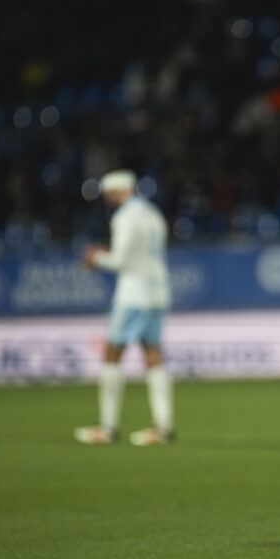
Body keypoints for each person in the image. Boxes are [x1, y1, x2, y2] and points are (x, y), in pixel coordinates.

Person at [74, 169, 174, 447]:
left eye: (108, 194)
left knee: (112, 352)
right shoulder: (153, 214)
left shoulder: (124, 217)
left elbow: (121, 260)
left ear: (117, 191)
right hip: (159, 291)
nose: (107, 199)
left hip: (134, 294)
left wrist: (96, 258)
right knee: (153, 354)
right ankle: (163, 426)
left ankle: (107, 426)